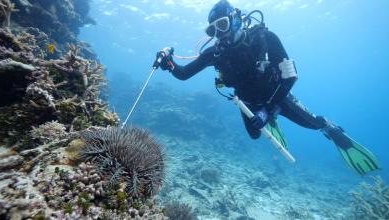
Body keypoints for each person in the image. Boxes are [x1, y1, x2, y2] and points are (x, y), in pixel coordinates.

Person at [155, 0, 380, 175]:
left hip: (277, 96)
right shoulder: (215, 53)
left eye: (222, 25)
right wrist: (168, 62)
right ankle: (270, 119)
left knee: (310, 124)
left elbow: (291, 77)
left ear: (235, 19)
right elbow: (184, 74)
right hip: (246, 101)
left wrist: (269, 109)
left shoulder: (264, 38)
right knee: (254, 135)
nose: (219, 34)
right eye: (213, 31)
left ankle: (329, 128)